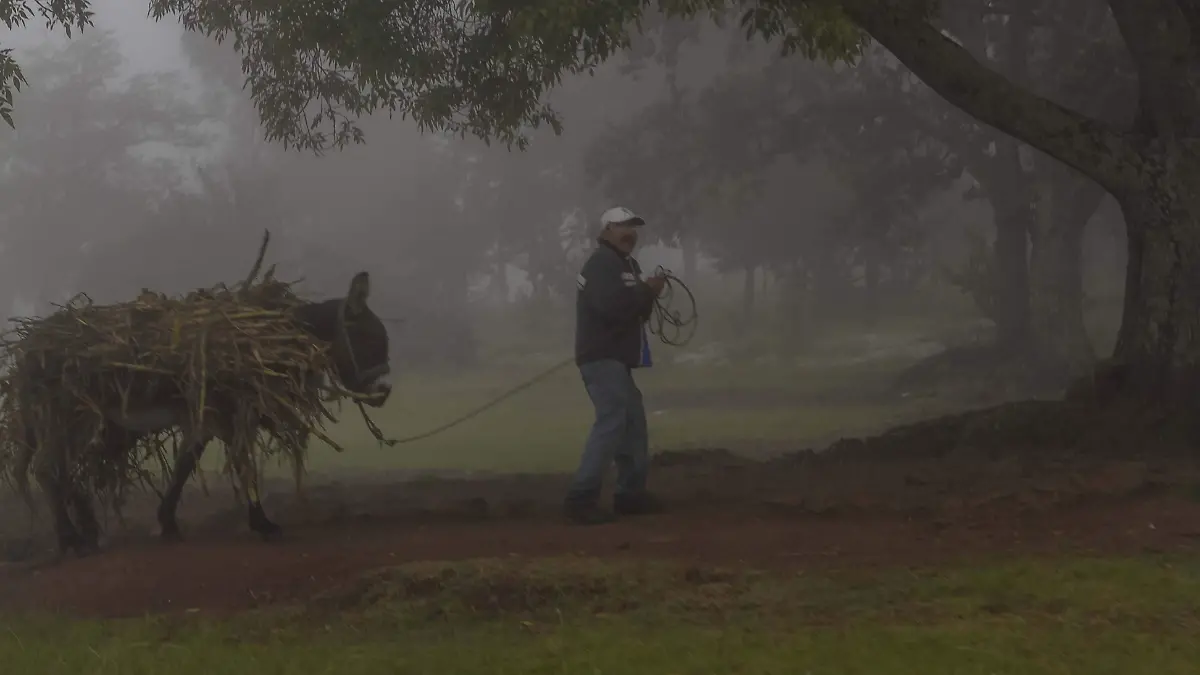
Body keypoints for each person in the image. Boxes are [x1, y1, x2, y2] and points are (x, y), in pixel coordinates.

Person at [565, 206, 668, 525]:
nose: (630, 232)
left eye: (633, 226)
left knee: (633, 422)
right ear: (606, 231)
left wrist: (648, 293)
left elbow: (635, 312)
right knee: (613, 420)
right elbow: (611, 307)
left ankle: (629, 495)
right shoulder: (601, 264)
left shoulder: (625, 265)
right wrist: (645, 290)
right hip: (601, 358)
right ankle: (581, 498)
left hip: (616, 359)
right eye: (622, 226)